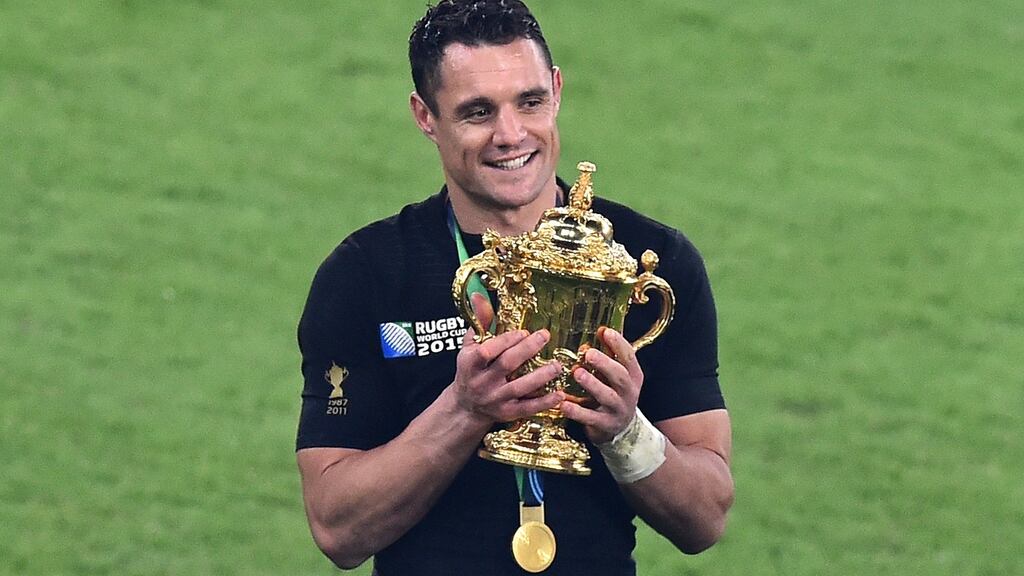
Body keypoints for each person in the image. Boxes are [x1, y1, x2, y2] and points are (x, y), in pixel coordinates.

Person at [295, 1, 733, 574]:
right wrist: (465, 410)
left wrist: (626, 430)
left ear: (556, 89)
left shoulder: (647, 265)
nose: (511, 134)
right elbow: (336, 527)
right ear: (426, 116)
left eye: (530, 102)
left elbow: (705, 519)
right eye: (478, 112)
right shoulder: (366, 275)